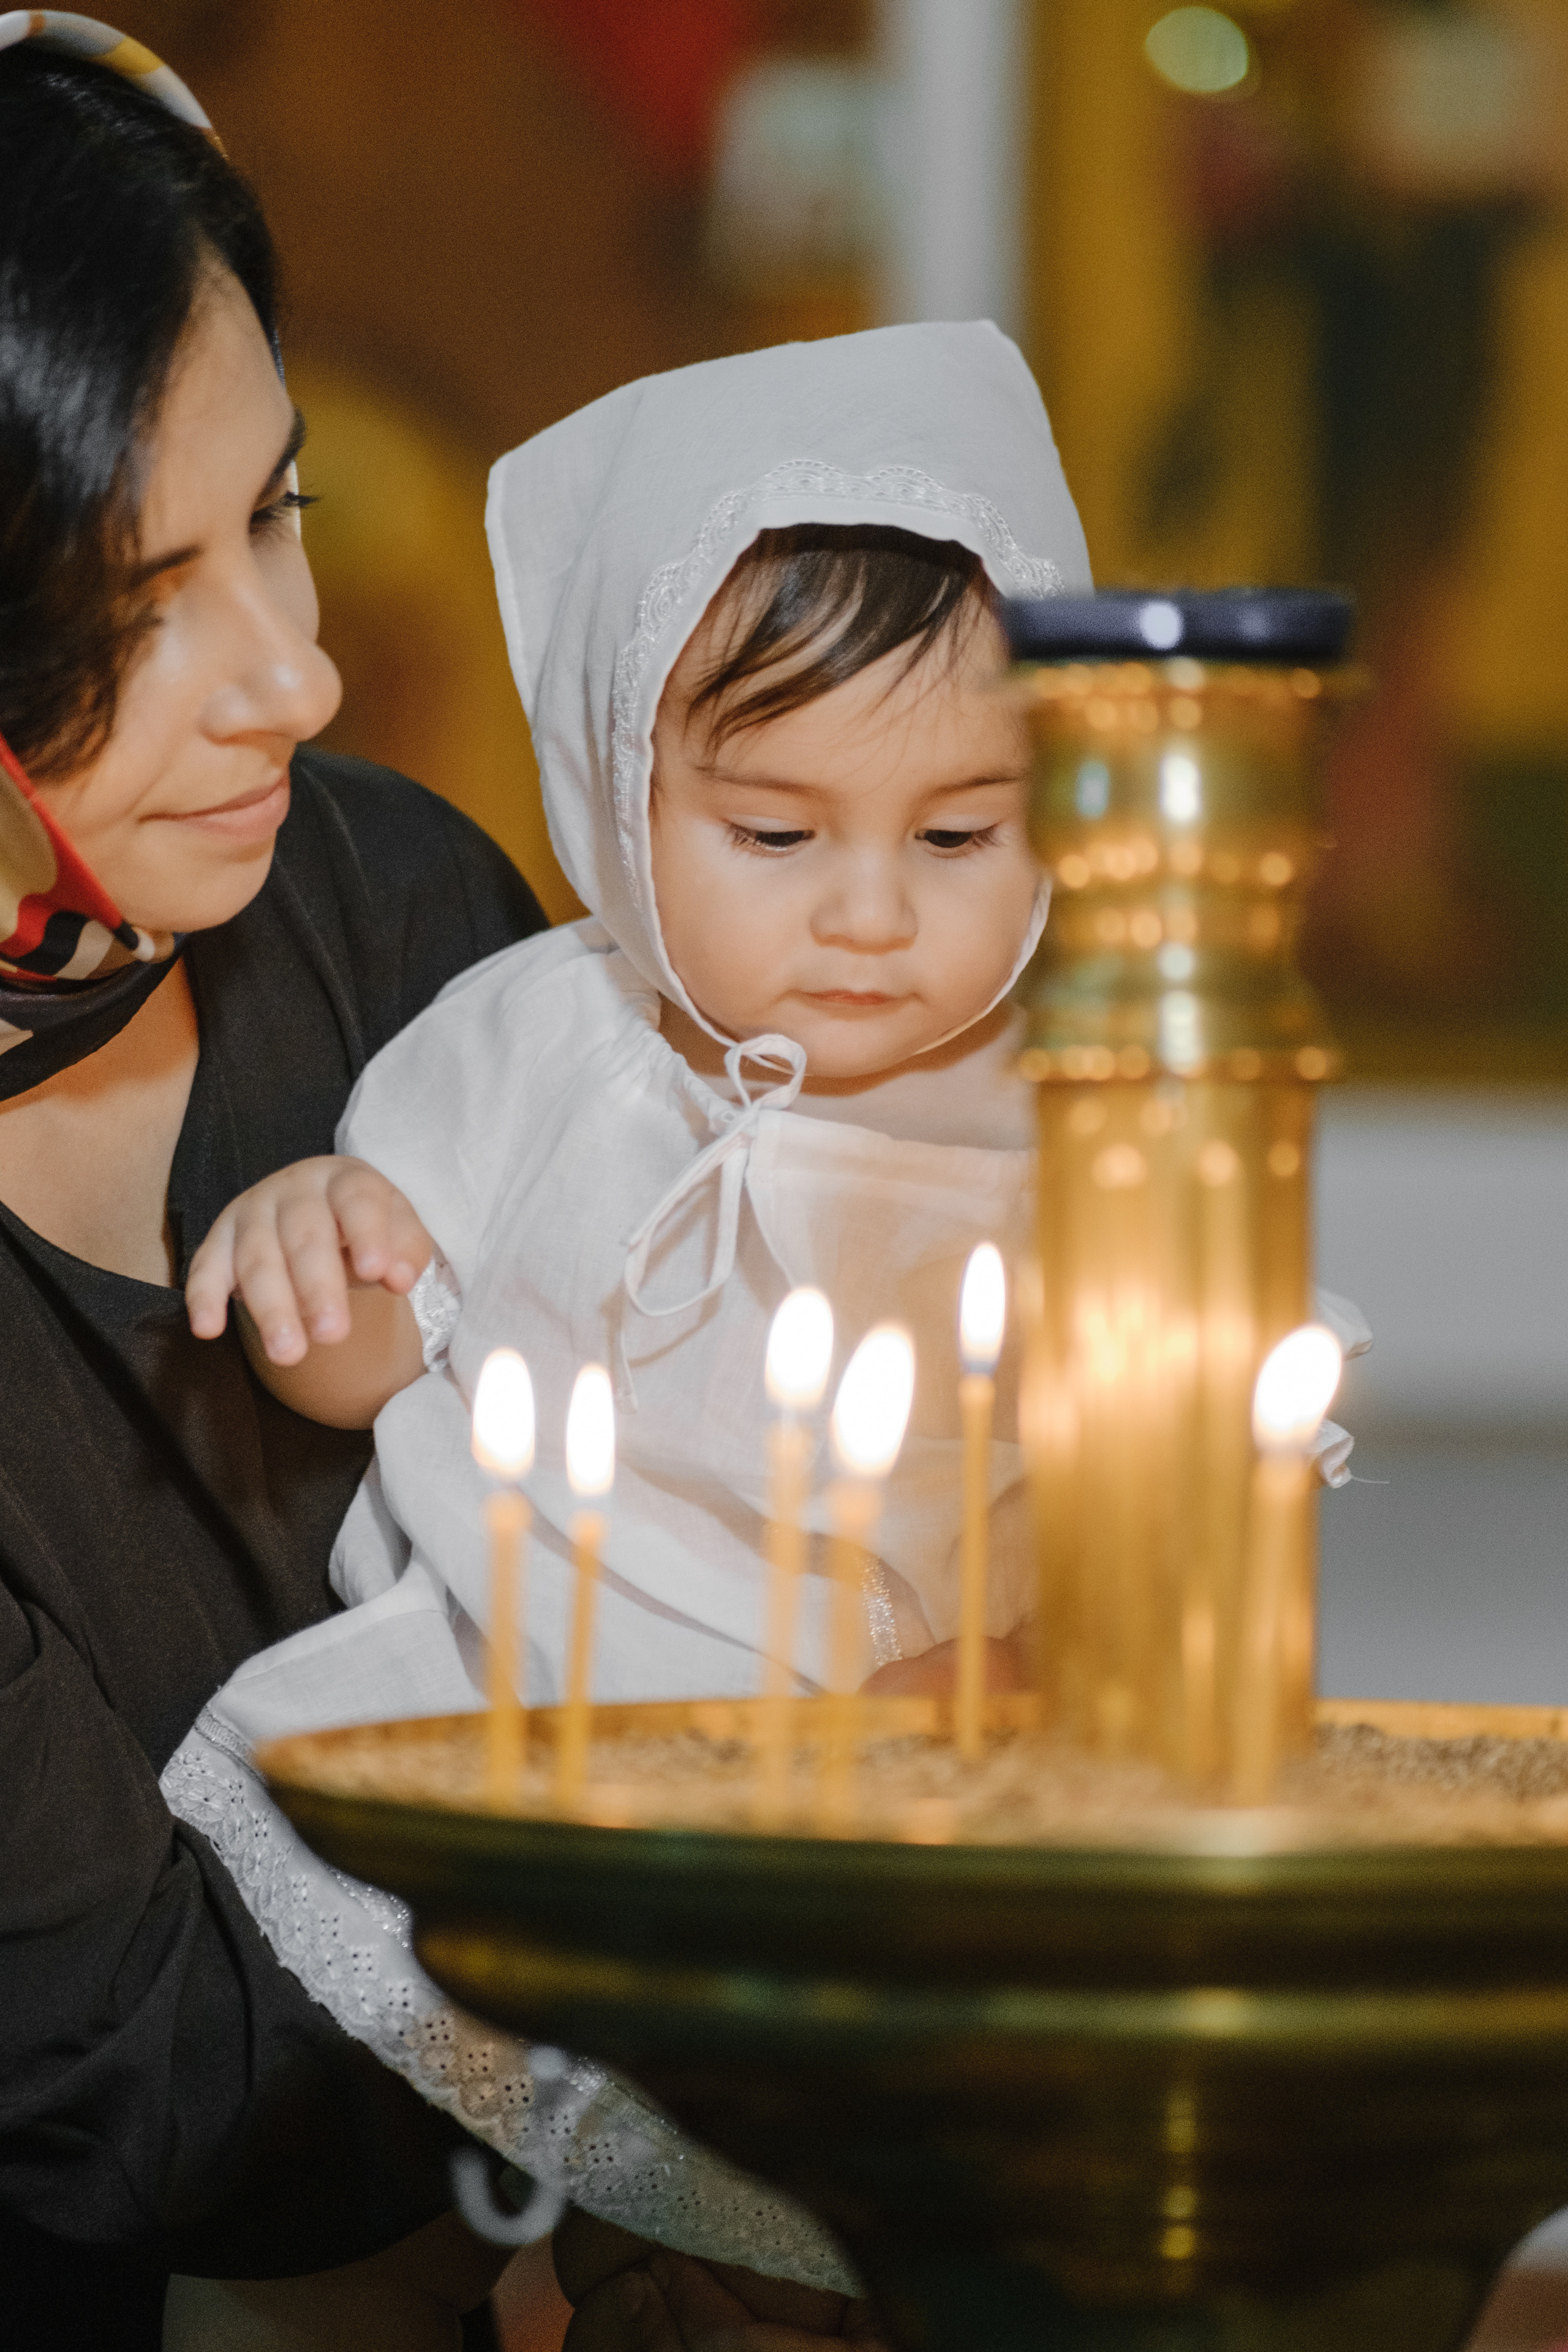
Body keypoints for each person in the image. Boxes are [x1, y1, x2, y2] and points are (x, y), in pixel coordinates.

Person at [0, 21, 552, 2350]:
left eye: (281, 513)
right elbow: (149, 2086)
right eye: (147, 600)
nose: (302, 676)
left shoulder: (396, 917)